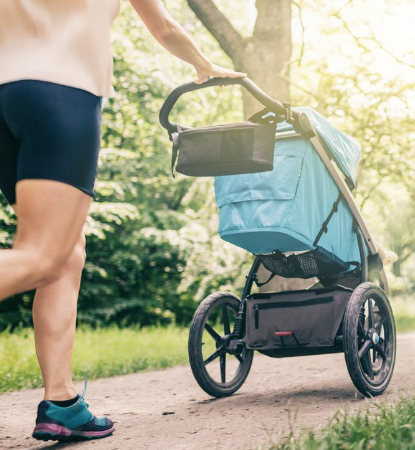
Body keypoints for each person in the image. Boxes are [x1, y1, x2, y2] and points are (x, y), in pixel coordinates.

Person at [0, 0, 245, 442]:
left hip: (3, 98)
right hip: (61, 90)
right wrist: (203, 65)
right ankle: (60, 400)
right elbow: (164, 25)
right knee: (41, 255)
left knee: (65, 253)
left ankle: (61, 402)